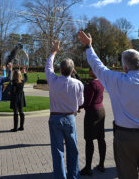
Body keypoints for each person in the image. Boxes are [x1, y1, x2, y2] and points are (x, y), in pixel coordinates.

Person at [78, 31, 139, 179]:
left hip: (125, 138)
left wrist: (89, 46)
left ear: (125, 67)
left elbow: (98, 66)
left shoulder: (117, 81)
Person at [45, 40, 84, 179]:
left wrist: (54, 52)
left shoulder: (53, 81)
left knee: (57, 151)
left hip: (55, 118)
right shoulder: (78, 84)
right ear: (73, 70)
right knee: (73, 150)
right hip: (70, 118)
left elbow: (48, 67)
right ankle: (74, 176)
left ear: (60, 70)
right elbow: (80, 103)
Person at [79, 67, 106, 176]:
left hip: (92, 113)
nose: (89, 71)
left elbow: (87, 102)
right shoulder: (101, 82)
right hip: (101, 111)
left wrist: (77, 107)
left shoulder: (91, 85)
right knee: (101, 138)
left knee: (89, 139)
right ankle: (101, 164)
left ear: (92, 72)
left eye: (90, 70)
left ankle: (88, 168)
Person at [10, 66, 28, 132]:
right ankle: (21, 126)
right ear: (20, 75)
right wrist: (25, 72)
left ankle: (15, 128)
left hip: (15, 98)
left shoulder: (13, 82)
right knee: (21, 112)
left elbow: (13, 91)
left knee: (15, 113)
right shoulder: (22, 81)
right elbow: (26, 78)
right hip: (21, 97)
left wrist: (10, 92)